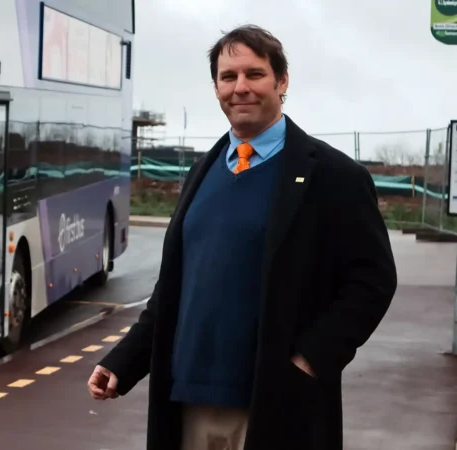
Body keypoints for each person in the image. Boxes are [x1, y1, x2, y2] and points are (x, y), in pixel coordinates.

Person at [86, 24, 397, 450]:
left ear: (281, 81)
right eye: (228, 77)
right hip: (187, 400)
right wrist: (125, 361)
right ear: (215, 87)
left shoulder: (334, 176)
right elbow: (176, 287)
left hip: (277, 403)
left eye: (254, 74)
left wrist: (310, 359)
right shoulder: (202, 172)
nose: (240, 88)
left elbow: (373, 281)